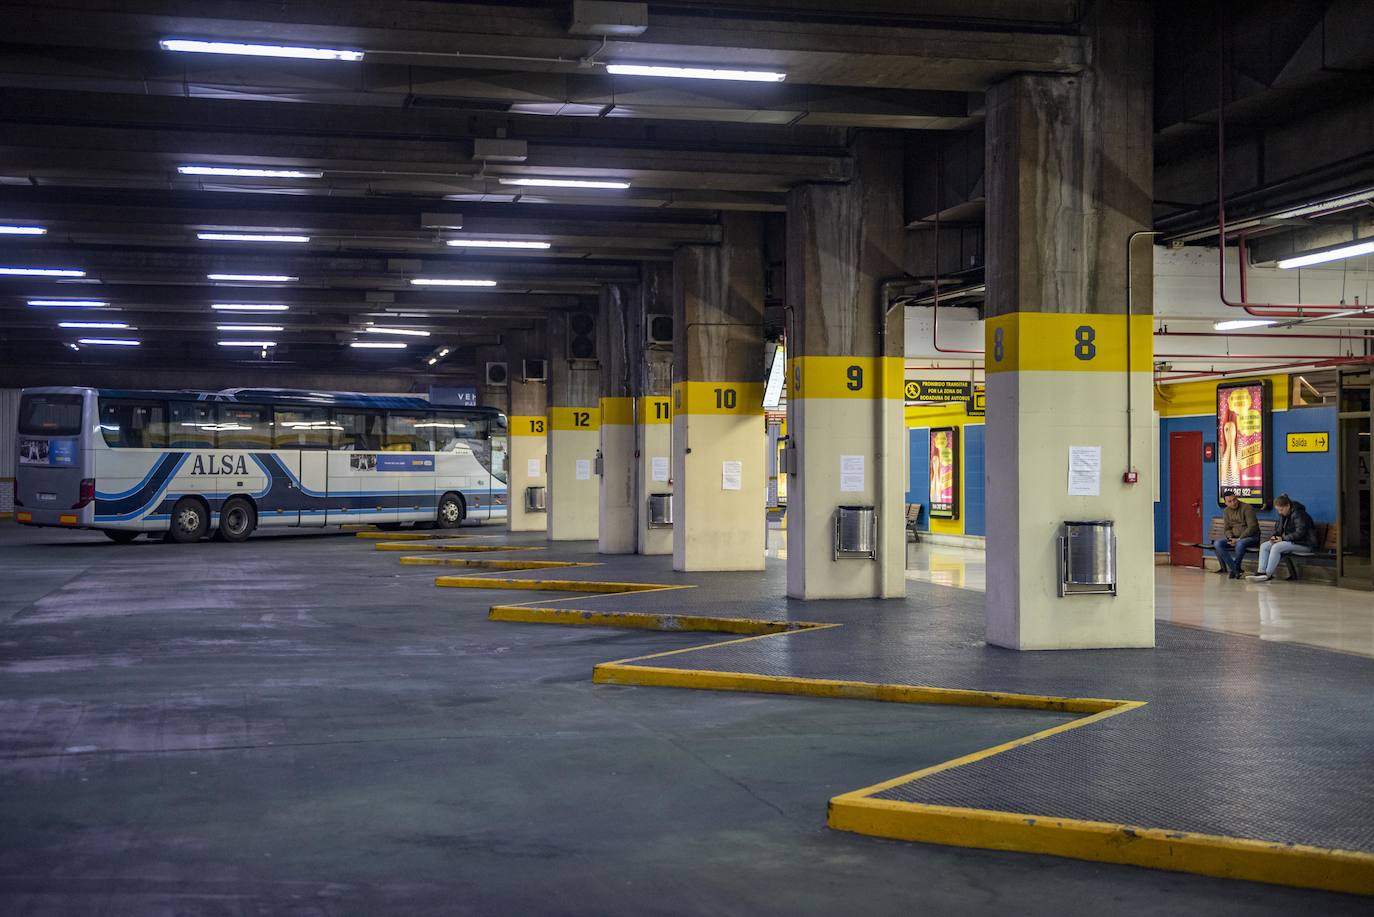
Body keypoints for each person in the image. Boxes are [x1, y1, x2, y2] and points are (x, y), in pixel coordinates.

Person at [1247, 494, 1318, 582]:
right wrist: (1274, 537)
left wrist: (1283, 539)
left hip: (1305, 544)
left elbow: (1300, 533)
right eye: (1278, 510)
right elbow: (1278, 529)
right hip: (1291, 542)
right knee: (1265, 546)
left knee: (1277, 547)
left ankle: (1267, 575)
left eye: (1281, 509)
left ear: (1288, 506)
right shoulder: (1283, 515)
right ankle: (1261, 572)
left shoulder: (1299, 514)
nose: (1280, 512)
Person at [1213, 490, 1260, 579]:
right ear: (1226, 503)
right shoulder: (1226, 511)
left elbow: (1252, 527)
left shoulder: (1247, 508)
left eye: (1234, 500)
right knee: (1217, 543)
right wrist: (1230, 537)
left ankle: (1234, 569)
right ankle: (1235, 569)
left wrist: (1239, 539)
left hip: (1251, 537)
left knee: (1240, 543)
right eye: (1230, 501)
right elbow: (1227, 529)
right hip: (1234, 537)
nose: (1233, 503)